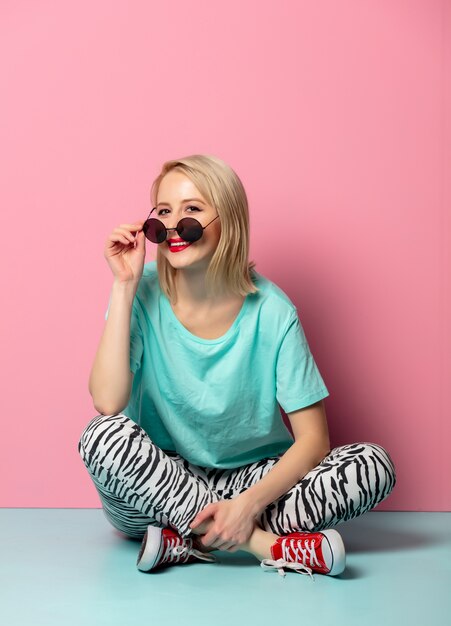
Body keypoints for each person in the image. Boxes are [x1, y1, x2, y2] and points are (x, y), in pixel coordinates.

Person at [78, 154, 396, 580]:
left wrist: (247, 505)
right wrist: (123, 286)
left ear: (228, 220)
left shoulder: (274, 312)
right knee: (102, 436)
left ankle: (185, 540)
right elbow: (107, 399)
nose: (173, 228)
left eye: (192, 211)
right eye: (164, 213)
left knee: (372, 465)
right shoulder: (141, 292)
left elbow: (314, 440)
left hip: (251, 483)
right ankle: (267, 546)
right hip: (156, 481)